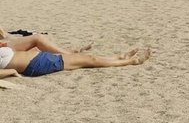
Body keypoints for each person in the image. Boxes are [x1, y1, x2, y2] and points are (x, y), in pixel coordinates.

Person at [1, 43, 151, 80]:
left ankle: (120, 57)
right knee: (89, 60)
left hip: (37, 60)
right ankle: (131, 61)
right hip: (37, 65)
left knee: (88, 58)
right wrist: (12, 71)